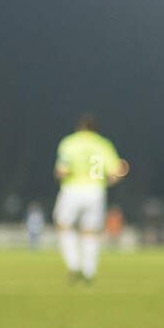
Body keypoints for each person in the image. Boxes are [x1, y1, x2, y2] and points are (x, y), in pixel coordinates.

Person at [52, 113, 123, 283]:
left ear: (79, 127)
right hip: (96, 191)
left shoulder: (70, 143)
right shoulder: (103, 144)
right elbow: (115, 174)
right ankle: (89, 271)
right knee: (91, 231)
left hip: (72, 189)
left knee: (64, 225)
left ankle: (74, 265)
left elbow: (62, 170)